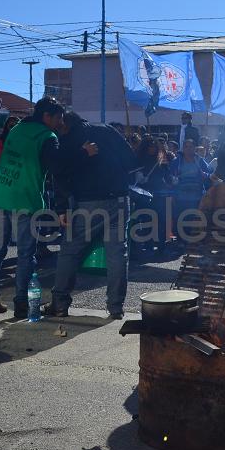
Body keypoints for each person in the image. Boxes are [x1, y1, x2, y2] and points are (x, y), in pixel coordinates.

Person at [44, 112, 136, 318]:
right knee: (117, 254)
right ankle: (116, 308)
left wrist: (61, 208)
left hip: (87, 201)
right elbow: (131, 161)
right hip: (119, 198)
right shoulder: (107, 129)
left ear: (64, 124)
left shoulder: (66, 140)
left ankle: (59, 303)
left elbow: (59, 175)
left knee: (70, 250)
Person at [0, 98, 62, 316]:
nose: (58, 123)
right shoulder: (47, 136)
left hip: (1, 194)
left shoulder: (16, 129)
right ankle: (21, 302)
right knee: (26, 254)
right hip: (25, 200)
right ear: (47, 116)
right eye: (57, 118)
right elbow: (57, 166)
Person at [169, 138, 212, 242]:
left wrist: (204, 175)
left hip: (196, 197)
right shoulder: (176, 161)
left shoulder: (200, 161)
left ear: (194, 148)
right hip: (180, 197)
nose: (188, 149)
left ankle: (193, 242)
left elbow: (209, 175)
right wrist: (173, 181)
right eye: (186, 147)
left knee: (194, 220)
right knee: (180, 219)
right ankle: (180, 242)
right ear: (183, 148)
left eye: (190, 147)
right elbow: (169, 177)